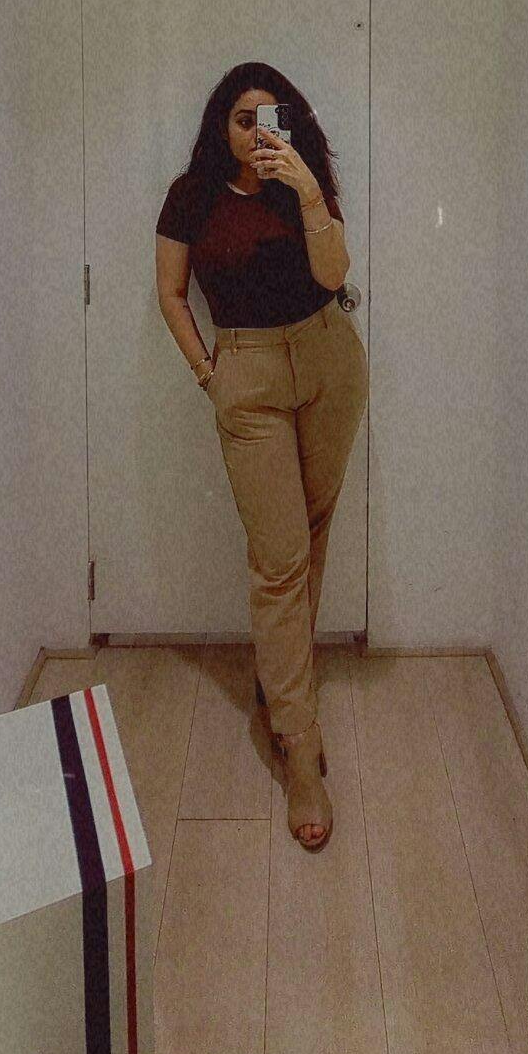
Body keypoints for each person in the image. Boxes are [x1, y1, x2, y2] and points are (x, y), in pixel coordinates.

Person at [154, 62, 369, 852]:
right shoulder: (191, 196)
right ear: (221, 127)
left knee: (311, 532)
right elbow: (171, 292)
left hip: (328, 359)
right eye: (242, 119)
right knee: (279, 560)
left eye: (268, 118)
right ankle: (300, 750)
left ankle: (280, 685)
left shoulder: (300, 183)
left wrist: (306, 188)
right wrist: (207, 373)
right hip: (246, 375)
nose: (255, 133)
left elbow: (333, 273)